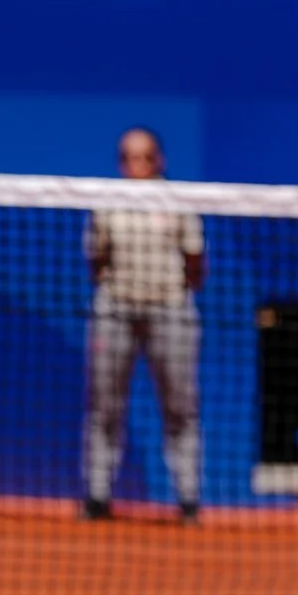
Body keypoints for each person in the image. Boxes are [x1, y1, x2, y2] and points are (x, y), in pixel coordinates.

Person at [81, 126, 203, 523]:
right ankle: (97, 498)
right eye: (129, 158)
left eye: (145, 157)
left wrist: (174, 291)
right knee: (104, 406)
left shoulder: (178, 201)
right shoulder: (107, 204)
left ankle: (188, 500)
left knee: (180, 407)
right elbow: (96, 259)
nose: (138, 165)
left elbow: (195, 259)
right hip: (115, 311)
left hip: (169, 310)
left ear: (159, 160)